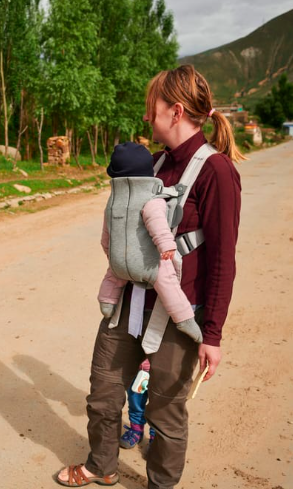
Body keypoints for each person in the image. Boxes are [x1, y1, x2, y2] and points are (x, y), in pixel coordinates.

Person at [57, 65, 242, 488]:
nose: (146, 118)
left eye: (151, 109)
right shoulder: (152, 163)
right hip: (128, 304)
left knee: (165, 411)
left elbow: (222, 263)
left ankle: (160, 483)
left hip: (179, 314)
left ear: (175, 112)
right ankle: (101, 465)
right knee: (103, 392)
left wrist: (211, 334)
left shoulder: (217, 173)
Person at [98, 141, 203, 343]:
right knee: (168, 283)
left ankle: (107, 303)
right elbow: (158, 225)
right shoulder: (152, 199)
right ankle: (184, 319)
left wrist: (113, 255)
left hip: (119, 262)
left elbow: (106, 236)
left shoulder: (112, 202)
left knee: (112, 277)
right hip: (148, 264)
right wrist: (167, 247)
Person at [119, 359, 156, 450]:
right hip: (138, 368)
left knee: (159, 407)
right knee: (135, 401)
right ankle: (136, 429)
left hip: (162, 370)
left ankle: (156, 436)